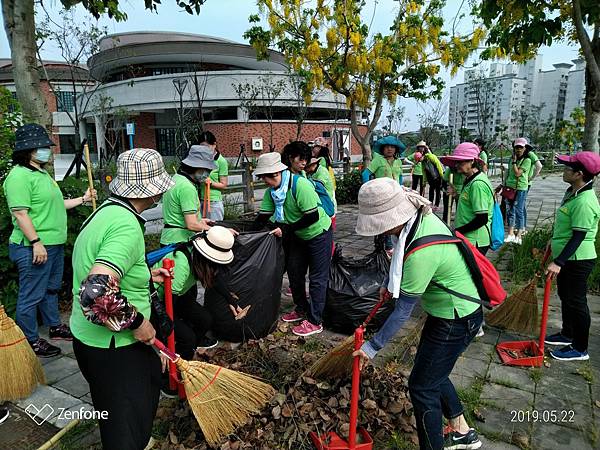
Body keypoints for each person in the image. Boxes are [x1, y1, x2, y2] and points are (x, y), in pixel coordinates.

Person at [352, 178, 483, 450]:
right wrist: (390, 286)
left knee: (422, 388)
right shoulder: (416, 222)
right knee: (432, 371)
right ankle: (461, 430)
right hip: (448, 314)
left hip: (456, 319)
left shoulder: (422, 250)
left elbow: (402, 312)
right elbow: (399, 256)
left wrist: (372, 347)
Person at [70, 149, 175, 450]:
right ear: (152, 191)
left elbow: (104, 266)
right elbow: (95, 292)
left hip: (88, 341)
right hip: (117, 347)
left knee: (114, 413)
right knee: (126, 425)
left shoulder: (105, 211)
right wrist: (139, 322)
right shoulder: (127, 226)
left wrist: (144, 276)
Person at [4, 124, 96, 358]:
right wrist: (36, 242)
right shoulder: (18, 177)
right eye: (42, 147)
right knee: (32, 294)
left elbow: (56, 204)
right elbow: (20, 214)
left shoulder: (41, 173)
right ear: (28, 150)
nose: (47, 150)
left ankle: (54, 326)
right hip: (33, 247)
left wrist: (83, 199)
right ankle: (30, 340)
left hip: (52, 245)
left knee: (51, 290)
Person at [254, 150, 333, 337]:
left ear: (276, 174)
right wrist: (245, 234)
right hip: (297, 235)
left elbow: (312, 216)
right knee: (295, 272)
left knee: (317, 278)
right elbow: (263, 217)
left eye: (266, 177)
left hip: (318, 233)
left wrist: (287, 229)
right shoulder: (272, 192)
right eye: (262, 178)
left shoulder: (300, 185)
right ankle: (301, 309)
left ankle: (315, 320)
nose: (264, 182)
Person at [545, 151, 600, 362]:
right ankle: (567, 334)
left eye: (568, 168)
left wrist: (558, 262)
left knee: (577, 302)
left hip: (578, 260)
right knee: (565, 297)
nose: (564, 170)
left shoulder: (585, 201)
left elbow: (578, 236)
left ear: (578, 174)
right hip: (568, 256)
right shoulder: (573, 192)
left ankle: (580, 348)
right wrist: (553, 240)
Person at [441, 143, 494, 256]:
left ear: (472, 161)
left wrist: (458, 231)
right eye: (457, 162)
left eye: (462, 161)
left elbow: (481, 219)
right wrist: (455, 194)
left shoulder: (477, 184)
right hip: (468, 238)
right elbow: (469, 203)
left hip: (475, 241)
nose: (457, 165)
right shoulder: (470, 180)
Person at [160, 144, 215, 246]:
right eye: (206, 170)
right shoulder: (187, 188)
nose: (207, 174)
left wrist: (200, 221)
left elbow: (178, 215)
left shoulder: (176, 178)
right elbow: (191, 224)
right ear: (195, 167)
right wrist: (217, 231)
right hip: (179, 242)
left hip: (169, 238)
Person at [502, 138, 532, 245]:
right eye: (516, 147)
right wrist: (503, 184)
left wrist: (514, 162)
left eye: (521, 147)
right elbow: (509, 173)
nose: (518, 150)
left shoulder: (527, 160)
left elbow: (517, 173)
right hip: (509, 187)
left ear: (525, 148)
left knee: (519, 210)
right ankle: (510, 233)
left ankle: (519, 234)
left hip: (520, 188)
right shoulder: (511, 159)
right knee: (509, 210)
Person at [198, 131, 229, 221]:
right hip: (200, 200)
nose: (204, 150)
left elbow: (224, 185)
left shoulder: (221, 161)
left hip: (214, 202)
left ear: (214, 145)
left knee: (215, 230)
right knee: (202, 231)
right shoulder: (199, 159)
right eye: (201, 147)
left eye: (207, 147)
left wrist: (210, 183)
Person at [420, 142, 444, 209]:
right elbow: (424, 172)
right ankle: (430, 203)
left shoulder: (431, 157)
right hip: (430, 178)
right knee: (431, 190)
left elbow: (439, 166)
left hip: (437, 176)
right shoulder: (423, 162)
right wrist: (424, 182)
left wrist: (442, 176)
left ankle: (436, 205)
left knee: (438, 190)